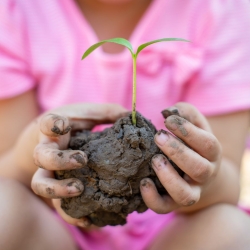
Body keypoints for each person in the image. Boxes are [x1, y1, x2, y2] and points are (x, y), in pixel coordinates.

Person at [1, 0, 250, 249]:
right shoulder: (16, 10)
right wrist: (35, 152)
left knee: (231, 230)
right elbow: (7, 174)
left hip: (172, 229)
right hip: (53, 229)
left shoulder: (219, 9)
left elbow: (228, 183)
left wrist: (201, 176)